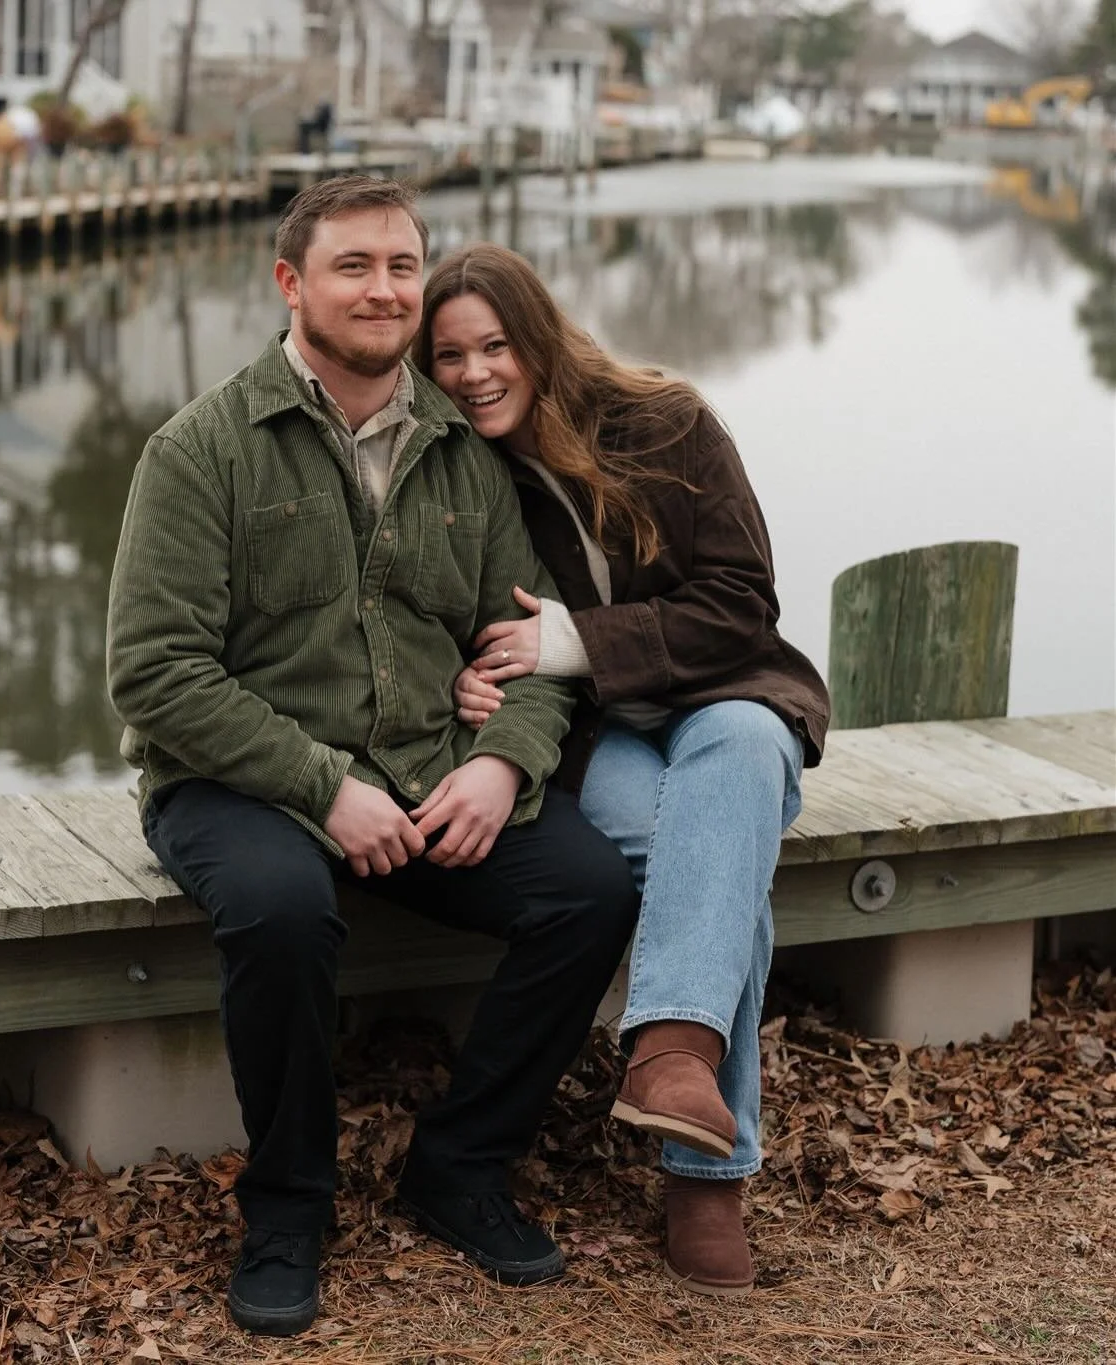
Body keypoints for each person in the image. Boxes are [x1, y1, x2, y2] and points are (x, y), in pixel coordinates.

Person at [106, 180, 638, 1337]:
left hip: (427, 767)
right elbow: (154, 675)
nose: (384, 290)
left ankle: (460, 1166)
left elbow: (525, 647)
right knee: (283, 910)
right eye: (353, 266)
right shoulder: (200, 450)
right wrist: (322, 786)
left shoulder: (464, 453)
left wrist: (503, 766)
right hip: (238, 781)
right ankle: (288, 1209)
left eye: (402, 266)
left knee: (590, 890)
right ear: (291, 284)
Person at [417, 242, 830, 1298]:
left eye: (494, 346)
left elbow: (742, 601)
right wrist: (464, 676)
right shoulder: (460, 471)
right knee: (711, 872)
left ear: (539, 337)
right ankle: (698, 1145)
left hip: (726, 693)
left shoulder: (666, 423)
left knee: (739, 755)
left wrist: (575, 641)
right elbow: (433, 613)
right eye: (448, 356)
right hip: (592, 737)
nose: (473, 374)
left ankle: (680, 1090)